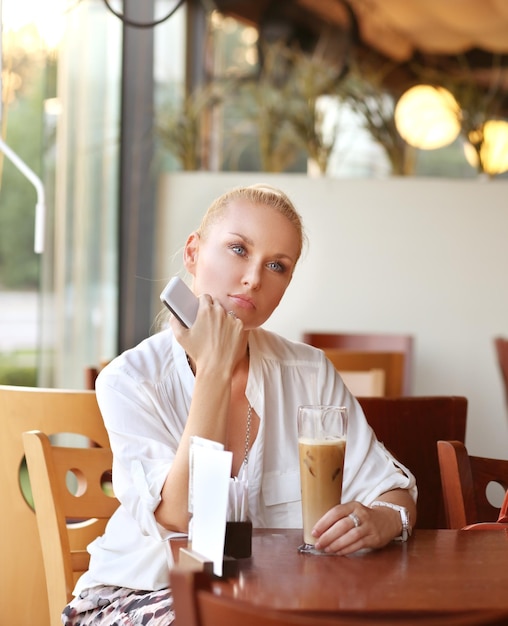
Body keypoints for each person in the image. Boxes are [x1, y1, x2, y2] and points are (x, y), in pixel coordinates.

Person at [63, 183, 417, 625]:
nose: (254, 278)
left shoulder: (310, 372)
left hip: (273, 600)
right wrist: (214, 367)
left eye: (277, 265)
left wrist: (383, 521)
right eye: (237, 249)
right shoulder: (130, 379)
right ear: (193, 252)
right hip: (142, 596)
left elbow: (393, 491)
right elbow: (179, 519)